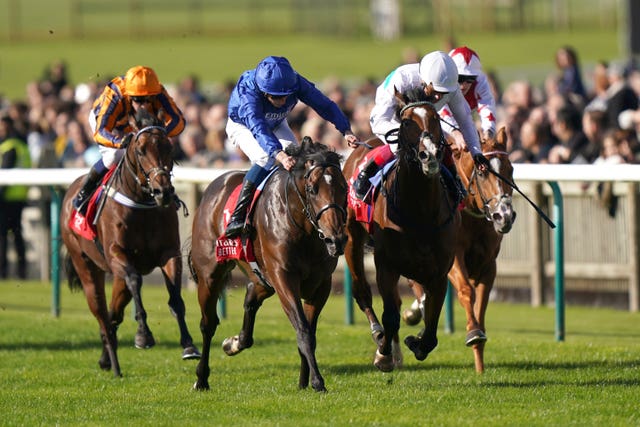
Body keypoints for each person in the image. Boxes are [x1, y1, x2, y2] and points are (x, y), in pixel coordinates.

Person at [223, 55, 357, 238]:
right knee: (266, 157)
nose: (283, 101)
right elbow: (258, 127)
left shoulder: (295, 82)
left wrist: (346, 129)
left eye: (286, 95)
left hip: (276, 123)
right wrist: (278, 153)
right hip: (245, 126)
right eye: (277, 97)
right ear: (263, 91)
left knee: (299, 162)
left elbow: (324, 104)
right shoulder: (248, 94)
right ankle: (238, 215)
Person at [352, 50, 490, 201]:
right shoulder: (402, 80)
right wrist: (409, 135)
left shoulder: (451, 87)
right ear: (425, 81)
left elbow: (465, 121)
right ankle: (367, 172)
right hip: (393, 114)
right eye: (436, 91)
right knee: (400, 145)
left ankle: (453, 180)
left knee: (439, 141)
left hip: (425, 117)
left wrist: (477, 154)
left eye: (444, 93)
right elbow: (378, 121)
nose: (438, 97)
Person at [72, 65, 185, 210]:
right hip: (109, 125)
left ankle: (165, 189)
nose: (143, 106)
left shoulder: (158, 91)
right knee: (114, 155)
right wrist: (118, 142)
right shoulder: (115, 94)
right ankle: (84, 192)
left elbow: (179, 121)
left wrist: (160, 133)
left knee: (154, 149)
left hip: (138, 125)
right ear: (129, 96)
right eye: (138, 100)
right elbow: (101, 132)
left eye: (148, 99)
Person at [439, 46, 497, 144]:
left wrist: (489, 131)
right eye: (460, 78)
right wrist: (455, 133)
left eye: (470, 79)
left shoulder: (480, 81)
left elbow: (486, 106)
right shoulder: (442, 80)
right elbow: (441, 110)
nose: (464, 85)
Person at [0, 115, 32, 279]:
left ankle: (4, 272)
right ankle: (21, 271)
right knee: (17, 235)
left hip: (7, 198)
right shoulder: (21, 145)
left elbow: (4, 176)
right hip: (19, 196)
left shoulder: (9, 146)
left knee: (4, 236)